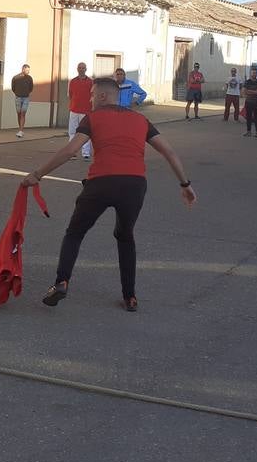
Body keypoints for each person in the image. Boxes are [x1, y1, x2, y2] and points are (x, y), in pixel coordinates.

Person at [22, 76, 196, 313]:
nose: (90, 99)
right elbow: (169, 152)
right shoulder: (141, 119)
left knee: (75, 233)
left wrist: (37, 174)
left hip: (101, 183)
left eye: (92, 95)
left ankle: (61, 282)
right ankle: (130, 297)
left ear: (103, 96)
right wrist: (185, 184)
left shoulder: (93, 117)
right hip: (134, 185)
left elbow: (71, 150)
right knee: (125, 236)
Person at [67, 62, 93, 161]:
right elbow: (71, 95)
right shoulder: (73, 81)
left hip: (86, 111)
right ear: (77, 69)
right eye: (80, 68)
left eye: (83, 68)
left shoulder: (91, 82)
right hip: (74, 110)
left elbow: (93, 95)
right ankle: (72, 152)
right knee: (72, 132)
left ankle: (86, 153)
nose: (81, 69)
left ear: (86, 69)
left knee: (85, 132)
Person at [11, 64, 33, 138]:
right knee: (19, 113)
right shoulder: (15, 78)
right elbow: (13, 88)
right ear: (23, 69)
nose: (28, 72)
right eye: (27, 70)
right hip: (18, 97)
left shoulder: (30, 78)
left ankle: (21, 131)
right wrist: (17, 93)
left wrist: (26, 93)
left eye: (29, 70)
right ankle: (20, 129)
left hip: (26, 98)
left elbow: (31, 88)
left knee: (23, 113)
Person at [242, 66, 257, 137]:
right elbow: (244, 91)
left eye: (255, 73)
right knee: (248, 117)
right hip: (248, 102)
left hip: (256, 102)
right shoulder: (247, 82)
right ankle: (249, 132)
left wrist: (249, 91)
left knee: (256, 117)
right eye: (253, 73)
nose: (254, 74)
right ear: (250, 73)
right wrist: (254, 91)